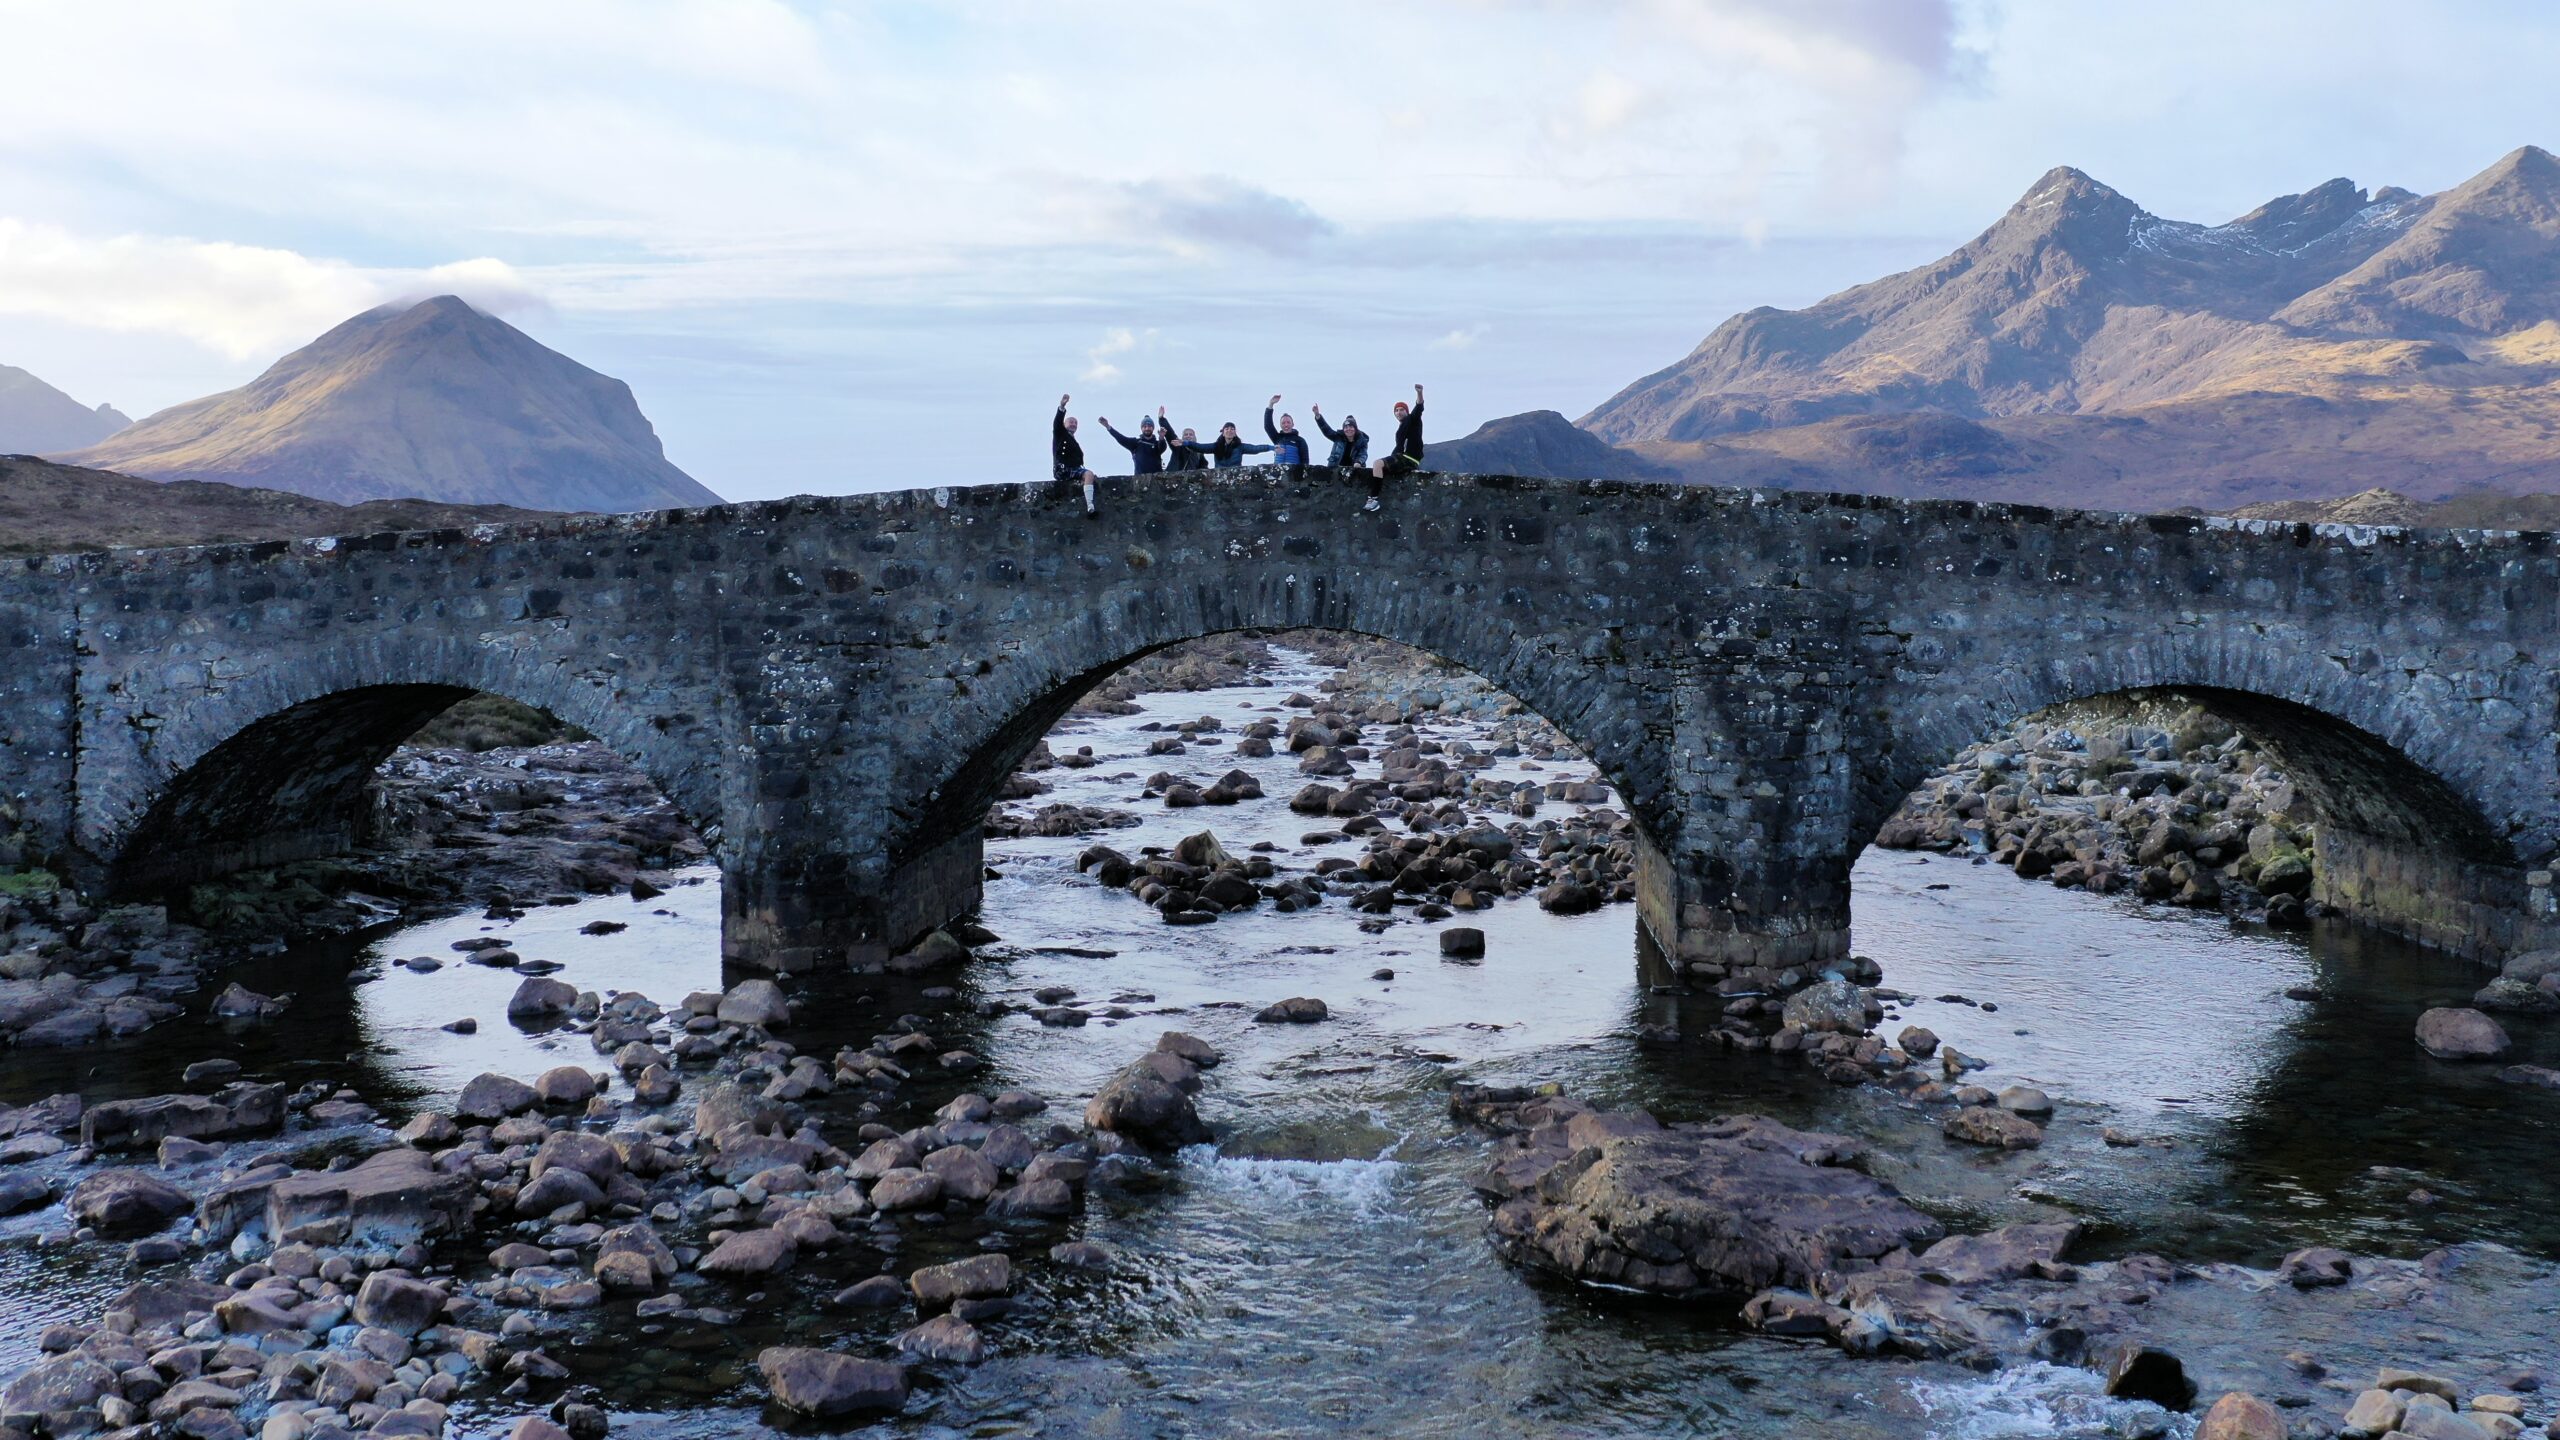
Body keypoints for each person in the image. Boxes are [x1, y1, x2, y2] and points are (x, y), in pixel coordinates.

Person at [1367, 383, 1424, 511]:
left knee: (1377, 464)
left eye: (1401, 409)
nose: (1398, 412)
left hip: (1409, 459)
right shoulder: (1401, 429)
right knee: (1379, 469)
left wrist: (1419, 393)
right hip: (1403, 457)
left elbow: (1419, 407)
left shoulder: (1413, 419)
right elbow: (1397, 449)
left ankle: (1373, 499)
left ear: (1407, 411)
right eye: (1396, 410)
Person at [1053, 393, 1098, 515]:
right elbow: (1057, 424)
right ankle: (1090, 505)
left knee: (1091, 476)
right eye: (1071, 422)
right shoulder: (1060, 434)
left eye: (1075, 423)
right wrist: (1062, 406)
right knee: (1089, 474)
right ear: (1064, 425)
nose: (1073, 424)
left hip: (1073, 468)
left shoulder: (1073, 441)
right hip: (1063, 469)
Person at [1100, 406, 1170, 475]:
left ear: (1153, 428)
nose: (1147, 428)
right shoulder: (1136, 443)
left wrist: (1161, 437)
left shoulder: (1156, 444)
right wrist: (1108, 427)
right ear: (1141, 428)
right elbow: (1121, 438)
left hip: (1156, 480)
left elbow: (1162, 448)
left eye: (1149, 426)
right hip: (1140, 480)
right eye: (1144, 426)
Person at [1175, 421, 1272, 469]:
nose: (1229, 431)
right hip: (1219, 476)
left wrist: (1270, 448)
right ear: (1223, 432)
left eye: (1232, 429)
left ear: (1235, 432)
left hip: (1235, 475)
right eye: (1227, 429)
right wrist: (1185, 442)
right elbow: (1200, 447)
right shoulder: (1216, 446)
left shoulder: (1240, 447)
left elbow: (1255, 448)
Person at [1311, 403, 1367, 469]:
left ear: (1355, 429)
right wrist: (1318, 416)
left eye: (1351, 427)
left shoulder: (1362, 440)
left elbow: (1363, 454)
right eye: (1346, 427)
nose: (1348, 429)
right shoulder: (1338, 437)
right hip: (1336, 469)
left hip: (1354, 470)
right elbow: (1326, 430)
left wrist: (1358, 462)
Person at [1263, 395, 1311, 471]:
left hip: (1293, 474)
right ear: (1280, 425)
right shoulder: (1277, 438)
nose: (1286, 425)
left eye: (1288, 422)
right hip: (1278, 473)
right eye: (1283, 423)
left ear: (1293, 424)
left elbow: (1305, 461)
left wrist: (1302, 474)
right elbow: (1267, 426)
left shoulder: (1300, 440)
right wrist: (1270, 405)